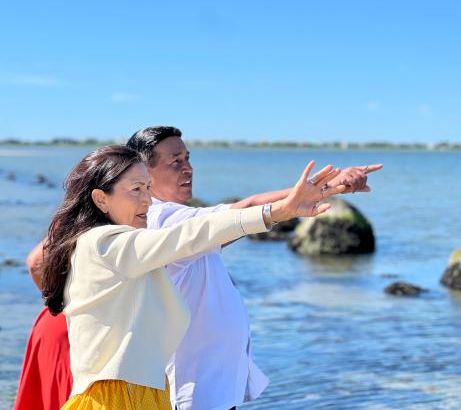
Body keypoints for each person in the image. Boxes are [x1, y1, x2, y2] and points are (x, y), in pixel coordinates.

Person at [35, 144, 345, 409]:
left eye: (147, 188)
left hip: (145, 393)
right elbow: (190, 235)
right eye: (135, 190)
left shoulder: (114, 246)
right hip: (115, 398)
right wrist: (276, 212)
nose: (146, 200)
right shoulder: (104, 243)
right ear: (101, 199)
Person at [126, 126, 383, 410]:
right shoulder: (163, 218)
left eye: (188, 158)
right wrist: (322, 188)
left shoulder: (181, 221)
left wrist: (324, 188)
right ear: (143, 174)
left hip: (210, 390)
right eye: (176, 162)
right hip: (191, 394)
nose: (188, 169)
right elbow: (244, 210)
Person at [12, 242, 72, 410]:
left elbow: (36, 263)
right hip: (72, 331)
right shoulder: (132, 219)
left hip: (57, 321)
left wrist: (60, 299)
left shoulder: (78, 217)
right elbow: (36, 262)